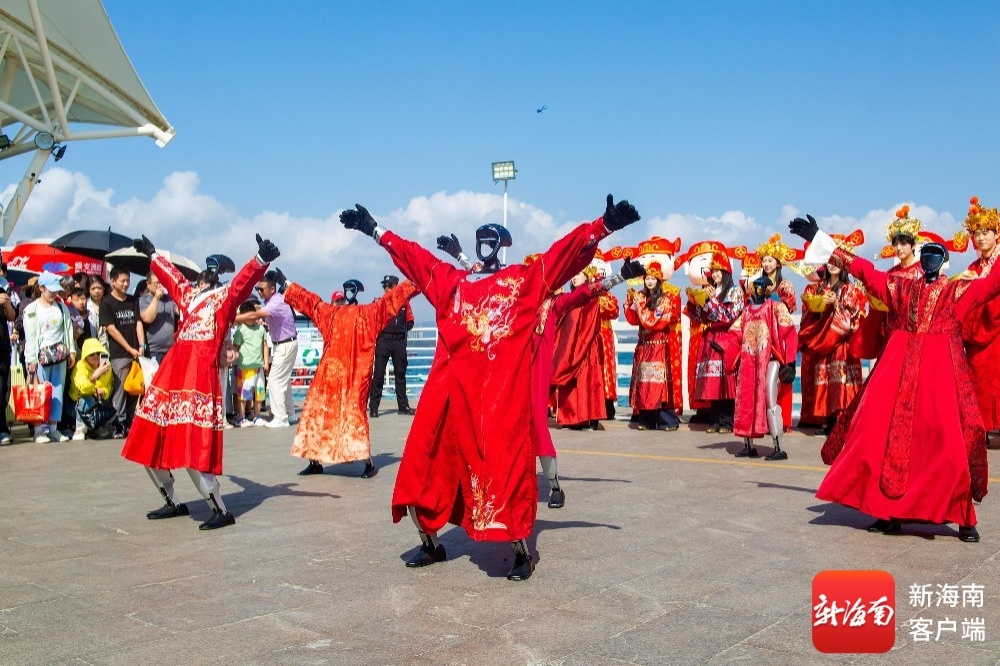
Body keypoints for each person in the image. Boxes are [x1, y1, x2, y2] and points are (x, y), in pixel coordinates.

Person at [340, 195, 642, 581]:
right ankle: (431, 542)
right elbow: (415, 259)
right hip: (451, 395)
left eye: (491, 240)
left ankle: (519, 550)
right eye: (480, 240)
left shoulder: (521, 281)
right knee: (423, 464)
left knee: (506, 468)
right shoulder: (454, 282)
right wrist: (375, 229)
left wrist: (603, 226)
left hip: (499, 397)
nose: (485, 246)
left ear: (503, 246)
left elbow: (560, 259)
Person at [790, 214, 996, 542]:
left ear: (943, 263)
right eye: (925, 254)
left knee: (947, 442)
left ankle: (962, 515)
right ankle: (889, 510)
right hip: (898, 370)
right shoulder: (900, 286)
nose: (928, 260)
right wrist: (820, 238)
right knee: (880, 435)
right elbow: (864, 272)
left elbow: (991, 284)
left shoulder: (957, 291)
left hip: (941, 374)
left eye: (934, 255)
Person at [121, 234, 279, 530]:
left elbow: (242, 284)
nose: (205, 275)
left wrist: (260, 260)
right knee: (148, 440)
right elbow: (172, 278)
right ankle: (171, 500)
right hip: (172, 374)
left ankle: (220, 509)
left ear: (217, 278)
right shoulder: (191, 295)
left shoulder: (224, 299)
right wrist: (153, 254)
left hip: (197, 378)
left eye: (212, 270)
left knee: (192, 448)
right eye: (206, 270)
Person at [283, 269, 420, 478]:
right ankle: (314, 460)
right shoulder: (339, 312)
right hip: (330, 372)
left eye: (351, 289)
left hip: (355, 373)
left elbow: (391, 301)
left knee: (354, 414)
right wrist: (287, 284)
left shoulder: (367, 312)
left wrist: (415, 278)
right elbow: (312, 304)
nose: (348, 293)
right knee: (316, 411)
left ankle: (367, 462)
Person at [532, 253, 644, 506]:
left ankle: (555, 487)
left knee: (539, 430)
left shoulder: (555, 304)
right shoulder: (522, 305)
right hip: (516, 378)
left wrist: (618, 277)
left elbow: (585, 294)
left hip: (541, 376)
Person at [798, 235, 866, 436]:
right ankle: (828, 420)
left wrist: (836, 303)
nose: (833, 265)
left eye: (837, 261)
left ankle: (842, 421)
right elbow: (811, 317)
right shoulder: (820, 288)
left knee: (842, 382)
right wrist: (818, 307)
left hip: (842, 345)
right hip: (823, 342)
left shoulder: (851, 289)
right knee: (826, 380)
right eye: (830, 261)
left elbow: (854, 319)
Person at [730, 276, 797, 460]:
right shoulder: (746, 311)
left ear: (768, 289)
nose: (757, 290)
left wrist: (790, 361)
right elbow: (735, 333)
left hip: (770, 359)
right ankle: (748, 444)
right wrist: (724, 346)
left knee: (769, 398)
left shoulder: (777, 307)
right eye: (755, 286)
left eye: (761, 287)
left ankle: (778, 446)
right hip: (749, 361)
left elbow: (789, 332)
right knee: (746, 397)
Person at [684, 251, 743, 433]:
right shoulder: (710, 290)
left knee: (726, 380)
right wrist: (697, 303)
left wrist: (712, 301)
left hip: (727, 337)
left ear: (726, 273)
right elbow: (703, 318)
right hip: (710, 337)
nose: (715, 274)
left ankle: (727, 421)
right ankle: (714, 420)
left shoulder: (735, 291)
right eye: (713, 271)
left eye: (719, 271)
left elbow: (728, 316)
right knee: (712, 380)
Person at [624, 260, 683, 431]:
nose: (649, 281)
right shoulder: (643, 297)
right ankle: (646, 419)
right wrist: (630, 303)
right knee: (644, 384)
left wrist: (640, 305)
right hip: (644, 346)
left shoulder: (664, 300)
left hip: (658, 346)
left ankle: (666, 420)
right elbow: (634, 320)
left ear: (659, 281)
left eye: (653, 278)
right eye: (647, 278)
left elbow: (653, 322)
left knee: (659, 385)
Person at [235, 271, 298, 427]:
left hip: (284, 344)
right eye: (258, 289)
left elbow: (254, 316)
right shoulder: (274, 301)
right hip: (286, 343)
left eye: (262, 289)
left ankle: (280, 417)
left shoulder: (275, 302)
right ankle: (289, 414)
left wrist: (233, 319)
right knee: (284, 381)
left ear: (271, 289)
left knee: (275, 381)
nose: (260, 292)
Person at [551, 264, 609, 430]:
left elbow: (586, 322)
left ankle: (588, 416)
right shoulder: (570, 297)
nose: (574, 277)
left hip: (587, 343)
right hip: (571, 343)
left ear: (587, 276)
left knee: (587, 380)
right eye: (573, 274)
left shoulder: (591, 296)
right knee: (572, 381)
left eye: (578, 273)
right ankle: (572, 417)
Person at [961, 196, 1000, 442]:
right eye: (977, 233)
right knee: (977, 378)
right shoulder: (974, 266)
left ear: (997, 234)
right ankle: (983, 427)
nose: (981, 237)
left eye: (986, 232)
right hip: (976, 335)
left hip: (994, 330)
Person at [754, 234, 801, 432]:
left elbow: (789, 308)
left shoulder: (785, 285)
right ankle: (763, 419)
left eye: (770, 260)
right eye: (764, 260)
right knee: (763, 378)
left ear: (778, 263)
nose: (766, 263)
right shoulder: (756, 283)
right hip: (763, 335)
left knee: (782, 376)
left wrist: (774, 298)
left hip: (779, 335)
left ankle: (785, 421)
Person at [23, 272, 77, 443]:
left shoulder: (61, 308)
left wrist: (72, 351)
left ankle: (53, 428)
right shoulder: (31, 310)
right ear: (41, 288)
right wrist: (30, 360)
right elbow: (30, 336)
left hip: (59, 355)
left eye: (56, 290)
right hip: (40, 357)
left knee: (56, 391)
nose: (54, 294)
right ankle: (38, 430)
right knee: (39, 392)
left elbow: (68, 330)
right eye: (50, 290)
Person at [99, 267, 145, 437]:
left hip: (137, 353)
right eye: (122, 281)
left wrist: (141, 346)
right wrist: (129, 348)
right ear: (113, 281)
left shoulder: (133, 300)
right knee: (119, 391)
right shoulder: (106, 303)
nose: (126, 284)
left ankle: (129, 423)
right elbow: (111, 329)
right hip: (119, 354)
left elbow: (138, 322)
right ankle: (117, 424)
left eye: (128, 280)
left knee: (135, 389)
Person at [368, 274, 416, 417]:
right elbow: (371, 319)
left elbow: (410, 321)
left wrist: (401, 331)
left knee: (400, 374)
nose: (386, 288)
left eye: (390, 285)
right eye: (385, 286)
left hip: (399, 342)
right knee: (378, 375)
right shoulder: (378, 302)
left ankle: (403, 406)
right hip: (383, 340)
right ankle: (374, 408)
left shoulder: (405, 302)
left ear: (397, 286)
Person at [232, 301, 269, 427]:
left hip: (258, 367)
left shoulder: (261, 329)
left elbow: (265, 346)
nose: (251, 319)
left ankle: (256, 416)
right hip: (244, 368)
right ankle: (241, 417)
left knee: (259, 394)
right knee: (243, 394)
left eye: (252, 316)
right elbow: (235, 347)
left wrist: (266, 363)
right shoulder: (240, 331)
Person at [69, 338, 114, 440]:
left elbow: (108, 387)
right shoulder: (80, 366)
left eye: (98, 353)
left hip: (96, 402)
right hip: (76, 404)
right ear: (85, 355)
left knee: (110, 410)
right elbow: (83, 388)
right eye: (92, 354)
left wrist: (104, 392)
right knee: (88, 400)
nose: (96, 356)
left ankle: (95, 428)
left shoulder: (106, 367)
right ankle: (79, 429)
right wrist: (94, 376)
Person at [139, 270, 178, 364]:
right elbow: (147, 318)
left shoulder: (169, 298)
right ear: (148, 284)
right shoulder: (143, 300)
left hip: (169, 351)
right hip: (153, 352)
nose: (160, 285)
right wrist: (156, 298)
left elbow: (179, 311)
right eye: (157, 283)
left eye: (162, 282)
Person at [0, 261, 16, 444]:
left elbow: (12, 316)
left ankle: (2, 428)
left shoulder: (3, 284)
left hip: (3, 342)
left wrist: (7, 306)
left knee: (3, 388)